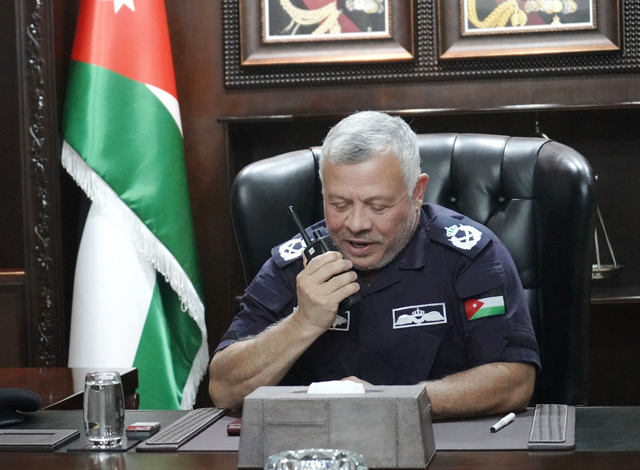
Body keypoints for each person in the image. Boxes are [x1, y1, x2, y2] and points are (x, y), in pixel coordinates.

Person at [209, 111, 540, 419]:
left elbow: (514, 381)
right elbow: (224, 389)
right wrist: (302, 322)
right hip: (319, 450)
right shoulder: (297, 262)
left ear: (417, 192)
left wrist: (392, 402)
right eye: (339, 204)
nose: (356, 224)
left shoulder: (469, 255)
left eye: (377, 206)